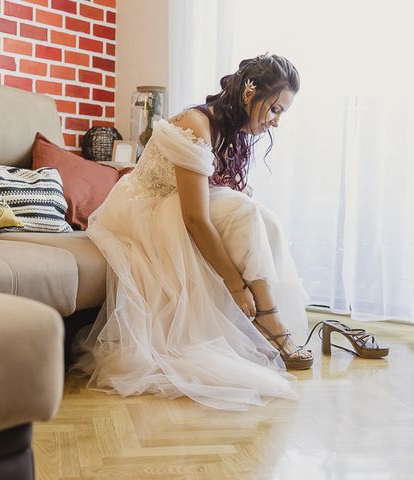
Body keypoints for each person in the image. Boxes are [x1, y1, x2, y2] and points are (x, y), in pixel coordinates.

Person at [73, 54, 311, 411]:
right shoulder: (195, 124)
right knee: (244, 211)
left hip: (177, 205)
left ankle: (266, 316)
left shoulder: (230, 129)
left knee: (266, 220)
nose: (276, 121)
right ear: (250, 94)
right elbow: (196, 218)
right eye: (274, 109)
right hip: (143, 211)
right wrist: (235, 285)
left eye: (282, 113)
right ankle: (267, 315)